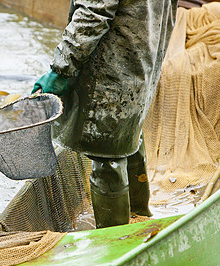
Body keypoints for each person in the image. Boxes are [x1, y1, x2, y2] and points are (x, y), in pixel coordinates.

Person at [32, 0, 178, 228]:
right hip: (145, 50)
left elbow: (94, 11)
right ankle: (139, 216)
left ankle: (114, 238)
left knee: (107, 153)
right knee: (128, 134)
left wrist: (60, 69)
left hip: (115, 60)